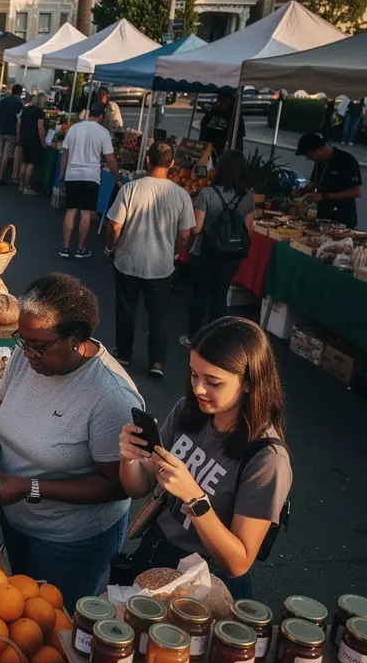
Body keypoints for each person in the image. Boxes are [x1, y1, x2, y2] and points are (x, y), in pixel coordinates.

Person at [0, 274, 141, 612]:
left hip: (71, 541)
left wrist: (30, 487)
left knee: (52, 625)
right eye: (21, 341)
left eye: (39, 345)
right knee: (14, 608)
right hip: (17, 518)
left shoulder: (110, 397)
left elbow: (116, 486)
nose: (27, 354)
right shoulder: (27, 361)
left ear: (76, 339)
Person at [119, 317, 292, 599]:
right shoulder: (190, 412)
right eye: (193, 375)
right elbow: (138, 487)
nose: (198, 389)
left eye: (213, 382)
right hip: (155, 554)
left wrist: (195, 499)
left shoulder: (267, 458)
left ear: (249, 383)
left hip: (205, 583)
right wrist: (129, 460)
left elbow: (238, 562)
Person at [105, 141, 195, 378]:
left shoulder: (130, 189)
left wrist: (110, 247)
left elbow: (114, 225)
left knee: (126, 309)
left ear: (147, 160)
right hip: (161, 265)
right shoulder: (181, 195)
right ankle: (157, 362)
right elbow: (186, 234)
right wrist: (174, 252)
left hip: (128, 260)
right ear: (172, 164)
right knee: (159, 315)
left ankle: (124, 353)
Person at [182, 149, 255, 347]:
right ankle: (215, 342)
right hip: (231, 255)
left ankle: (194, 338)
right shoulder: (249, 197)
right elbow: (247, 230)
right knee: (220, 296)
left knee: (199, 295)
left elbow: (196, 227)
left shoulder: (207, 193)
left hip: (205, 252)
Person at [59, 108, 121, 260]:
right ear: (100, 116)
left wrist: (62, 175)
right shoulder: (103, 132)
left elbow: (65, 155)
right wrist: (118, 177)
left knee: (70, 211)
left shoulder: (74, 128)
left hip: (72, 174)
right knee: (85, 213)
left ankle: (65, 247)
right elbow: (110, 159)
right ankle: (80, 248)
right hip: (91, 176)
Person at [294, 132, 363, 229]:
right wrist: (302, 190)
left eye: (309, 155)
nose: (308, 159)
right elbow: (313, 183)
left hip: (342, 217)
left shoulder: (346, 161)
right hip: (322, 215)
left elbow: (357, 192)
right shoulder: (319, 162)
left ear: (320, 149)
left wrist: (324, 196)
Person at [16, 93, 48, 195]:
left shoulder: (25, 110)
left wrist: (19, 136)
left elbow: (19, 123)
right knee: (31, 163)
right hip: (34, 139)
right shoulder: (39, 112)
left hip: (24, 138)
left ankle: (21, 184)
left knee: (24, 162)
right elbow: (40, 128)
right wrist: (43, 142)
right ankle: (26, 187)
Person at [0, 84, 24, 185]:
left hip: (1, 129)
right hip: (11, 131)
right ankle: (1, 176)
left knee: (0, 153)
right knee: (7, 154)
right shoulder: (19, 104)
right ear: (19, 93)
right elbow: (20, 119)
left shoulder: (2, 100)